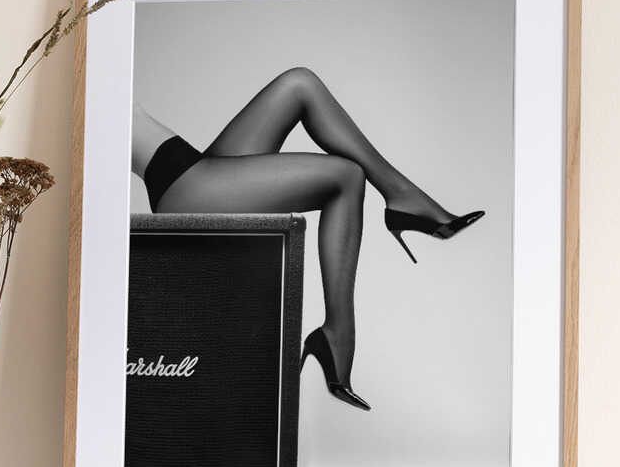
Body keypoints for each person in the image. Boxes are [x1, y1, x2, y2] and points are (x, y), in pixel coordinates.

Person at [131, 67, 484, 411]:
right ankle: (338, 332)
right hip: (184, 189)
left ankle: (401, 196)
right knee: (345, 176)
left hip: (191, 168)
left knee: (300, 83)